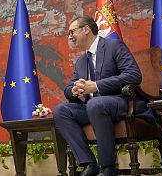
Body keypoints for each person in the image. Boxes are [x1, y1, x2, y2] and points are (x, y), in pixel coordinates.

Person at [53, 16, 154, 176]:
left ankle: (108, 168)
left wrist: (96, 86)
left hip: (122, 102)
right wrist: (74, 90)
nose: (70, 36)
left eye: (72, 31)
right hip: (94, 107)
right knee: (61, 110)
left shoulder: (113, 46)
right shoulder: (80, 61)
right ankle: (89, 163)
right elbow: (69, 88)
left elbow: (133, 75)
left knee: (95, 104)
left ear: (86, 29)